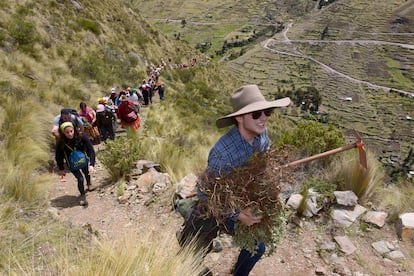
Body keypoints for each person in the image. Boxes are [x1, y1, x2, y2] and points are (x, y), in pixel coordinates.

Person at [179, 84, 290, 276]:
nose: (263, 118)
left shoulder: (262, 134)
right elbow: (205, 193)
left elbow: (262, 166)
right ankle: (186, 237)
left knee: (258, 246)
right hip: (216, 205)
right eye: (256, 114)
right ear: (239, 118)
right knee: (192, 252)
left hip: (242, 197)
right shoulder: (222, 153)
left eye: (267, 111)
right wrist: (238, 215)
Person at [55, 122, 96, 206]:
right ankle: (82, 195)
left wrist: (91, 164)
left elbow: (91, 150)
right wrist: (61, 169)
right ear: (63, 133)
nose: (70, 134)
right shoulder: (61, 142)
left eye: (71, 131)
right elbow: (58, 156)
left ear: (74, 129)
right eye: (67, 132)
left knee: (86, 173)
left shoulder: (81, 136)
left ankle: (89, 184)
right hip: (72, 164)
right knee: (80, 179)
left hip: (83, 160)